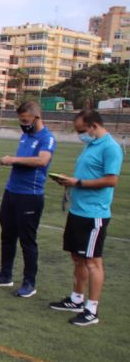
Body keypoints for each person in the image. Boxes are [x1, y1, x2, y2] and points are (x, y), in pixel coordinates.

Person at [48, 110, 123, 326]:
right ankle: (76, 299)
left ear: (94, 125)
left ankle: (92, 310)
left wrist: (77, 183)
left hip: (94, 215)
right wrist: (69, 181)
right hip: (77, 211)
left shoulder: (111, 148)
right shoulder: (91, 145)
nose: (80, 134)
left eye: (82, 130)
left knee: (92, 262)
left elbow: (111, 180)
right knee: (77, 258)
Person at [0, 101, 56, 297]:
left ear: (36, 118)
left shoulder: (47, 138)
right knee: (7, 235)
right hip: (11, 192)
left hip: (30, 196)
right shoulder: (26, 136)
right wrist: (9, 161)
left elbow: (42, 160)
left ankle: (29, 283)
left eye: (26, 120)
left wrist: (14, 159)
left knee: (27, 241)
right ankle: (5, 275)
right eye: (21, 121)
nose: (23, 124)